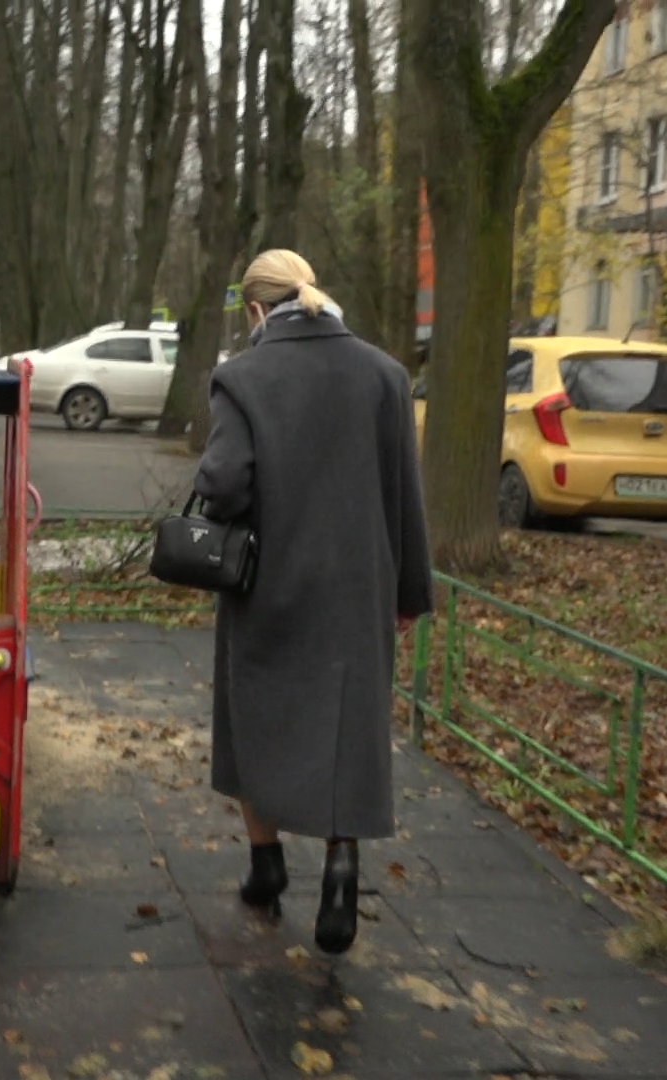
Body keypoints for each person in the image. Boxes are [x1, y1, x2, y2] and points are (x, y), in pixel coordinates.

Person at [192, 249, 434, 955]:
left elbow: (225, 485)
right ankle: (340, 872)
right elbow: (404, 496)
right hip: (360, 588)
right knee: (347, 730)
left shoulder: (242, 377)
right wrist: (411, 592)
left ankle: (265, 868)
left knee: (251, 718)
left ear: (257, 311)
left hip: (269, 583)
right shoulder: (386, 375)